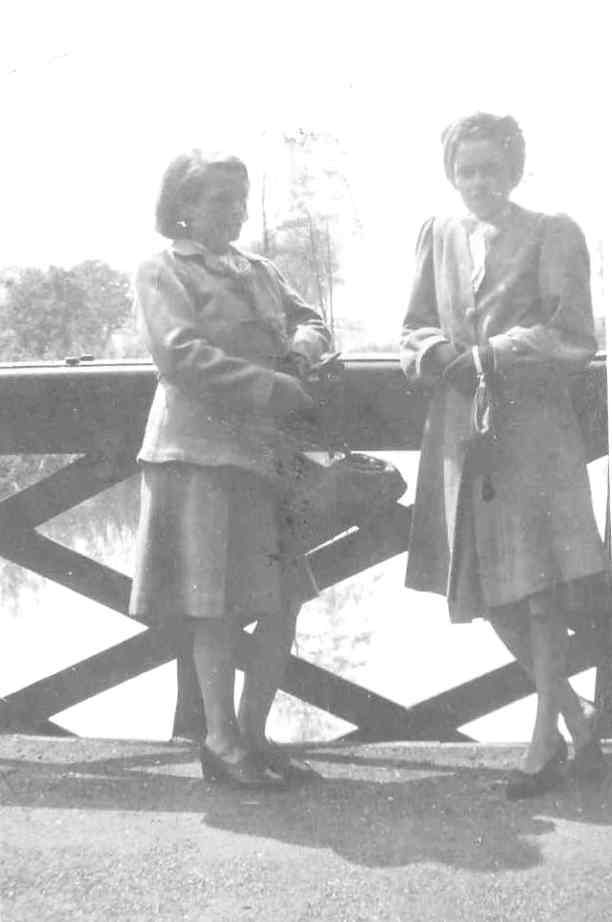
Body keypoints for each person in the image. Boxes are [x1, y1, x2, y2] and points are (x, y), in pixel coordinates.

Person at [400, 113, 609, 799]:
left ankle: (543, 741)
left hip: (534, 430)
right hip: (463, 430)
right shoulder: (437, 233)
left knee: (540, 588)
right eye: (467, 170)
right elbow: (416, 324)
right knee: (487, 587)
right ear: (451, 174)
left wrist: (490, 356)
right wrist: (435, 355)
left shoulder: (552, 230)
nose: (478, 182)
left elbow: (572, 330)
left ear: (515, 170)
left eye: (491, 168)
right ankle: (578, 721)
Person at [130, 150, 331, 788]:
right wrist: (272, 387)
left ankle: (255, 732)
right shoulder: (162, 269)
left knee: (283, 600)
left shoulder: (258, 268)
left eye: (241, 199)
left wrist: (301, 350)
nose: (235, 211)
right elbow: (180, 354)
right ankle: (220, 739)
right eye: (220, 199)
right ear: (182, 208)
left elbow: (311, 320)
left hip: (264, 457)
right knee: (213, 605)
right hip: (199, 455)